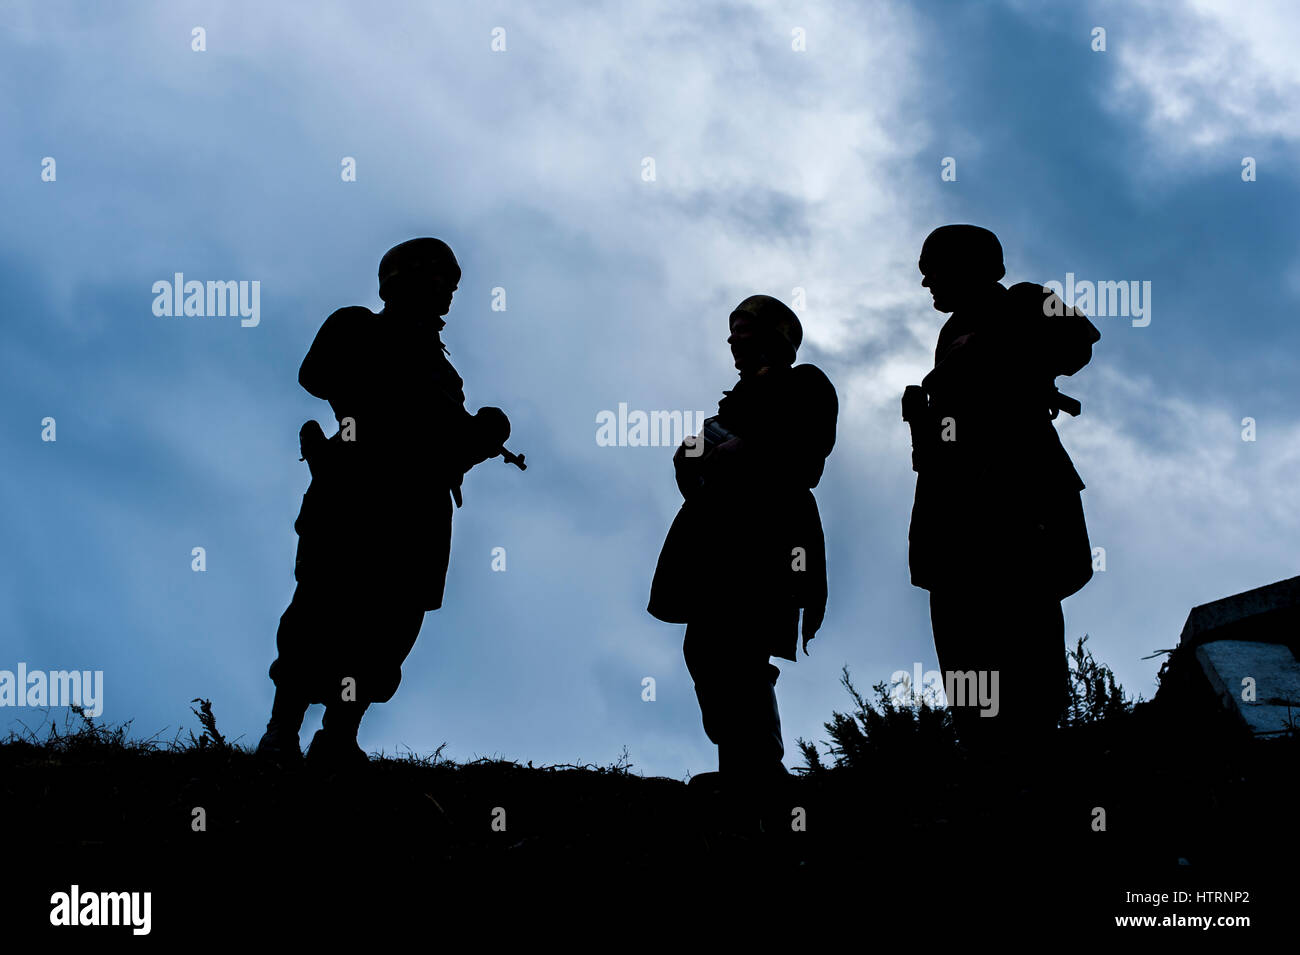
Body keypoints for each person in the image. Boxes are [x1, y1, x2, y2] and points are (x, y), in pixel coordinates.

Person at [256, 237, 512, 769]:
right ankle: (281, 732)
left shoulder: (445, 376)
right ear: (401, 279)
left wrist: (482, 436)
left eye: (452, 284)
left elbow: (450, 454)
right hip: (356, 497)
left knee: (387, 631)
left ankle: (339, 734)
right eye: (439, 279)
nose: (447, 293)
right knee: (320, 613)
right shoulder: (358, 328)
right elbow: (318, 376)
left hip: (417, 514)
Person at [904, 224, 1099, 751]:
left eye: (934, 265)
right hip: (953, 499)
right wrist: (923, 419)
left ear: (972, 263)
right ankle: (983, 752)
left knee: (1024, 617)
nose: (925, 280)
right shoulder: (950, 333)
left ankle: (1033, 748)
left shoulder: (1024, 300)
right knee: (961, 627)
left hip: (1017, 487)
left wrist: (992, 348)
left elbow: (1078, 342)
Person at [649, 294, 837, 815]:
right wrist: (692, 458)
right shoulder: (729, 408)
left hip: (769, 536)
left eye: (746, 329)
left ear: (777, 336)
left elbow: (806, 454)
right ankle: (741, 766)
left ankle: (759, 772)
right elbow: (701, 484)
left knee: (742, 649)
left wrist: (744, 451)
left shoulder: (805, 385)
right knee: (708, 651)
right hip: (719, 538)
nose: (734, 340)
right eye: (732, 331)